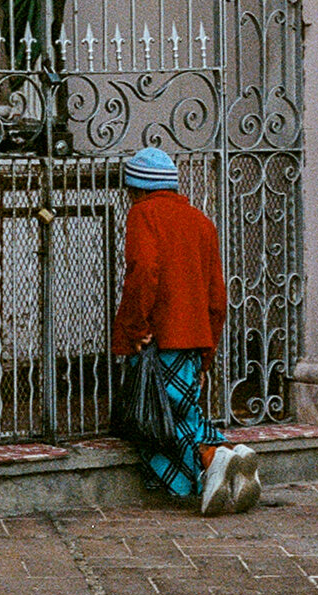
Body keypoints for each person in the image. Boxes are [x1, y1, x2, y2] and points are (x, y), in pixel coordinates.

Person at [109, 147, 260, 515]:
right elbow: (216, 297)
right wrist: (208, 353)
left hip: (160, 338)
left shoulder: (143, 214)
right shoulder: (201, 222)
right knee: (183, 413)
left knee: (159, 422)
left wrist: (135, 328)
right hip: (195, 338)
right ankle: (228, 460)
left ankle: (212, 458)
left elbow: (143, 273)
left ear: (138, 189)